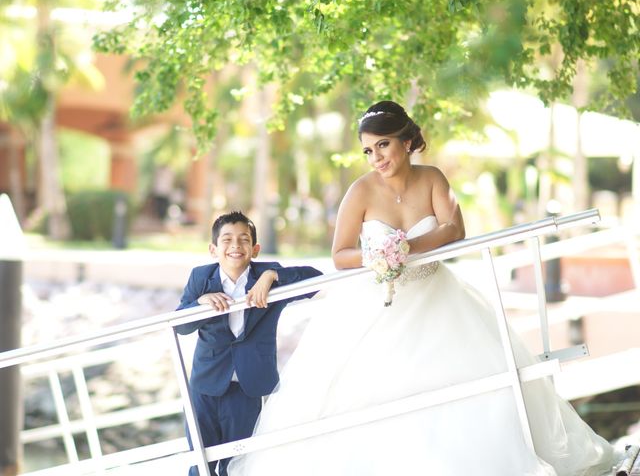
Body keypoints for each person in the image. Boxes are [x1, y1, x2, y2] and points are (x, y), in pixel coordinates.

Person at [227, 102, 619, 475]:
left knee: (475, 383)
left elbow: (454, 229)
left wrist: (408, 248)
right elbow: (340, 254)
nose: (377, 157)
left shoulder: (433, 178)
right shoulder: (360, 191)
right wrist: (378, 256)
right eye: (368, 151)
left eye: (383, 145)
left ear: (406, 141)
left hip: (438, 297)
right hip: (377, 304)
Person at [175, 210, 322, 476]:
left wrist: (272, 276)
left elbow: (316, 279)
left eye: (244, 240)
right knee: (200, 464)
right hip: (205, 387)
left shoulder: (267, 275)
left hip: (248, 388)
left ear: (255, 249)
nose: (235, 246)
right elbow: (180, 326)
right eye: (227, 240)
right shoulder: (200, 278)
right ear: (213, 249)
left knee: (237, 467)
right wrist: (199, 304)